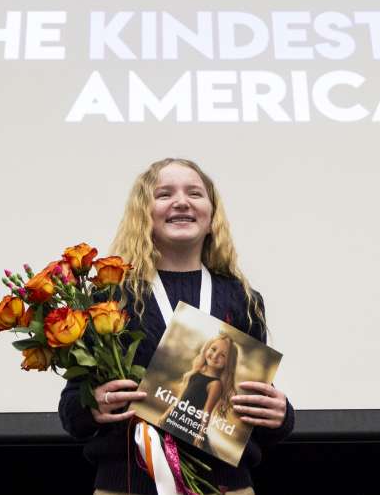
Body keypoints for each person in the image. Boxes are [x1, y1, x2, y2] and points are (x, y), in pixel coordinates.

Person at [58, 158, 295, 495]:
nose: (181, 201)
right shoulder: (110, 298)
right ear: (144, 213)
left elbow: (254, 409)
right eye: (164, 194)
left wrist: (282, 415)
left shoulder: (242, 298)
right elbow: (71, 412)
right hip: (126, 484)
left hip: (225, 486)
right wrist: (92, 405)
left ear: (212, 216)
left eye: (195, 193)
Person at [158, 333, 241, 457]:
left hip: (189, 425)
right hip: (176, 417)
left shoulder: (215, 384)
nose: (215, 356)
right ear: (207, 348)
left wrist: (200, 435)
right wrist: (165, 414)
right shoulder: (195, 372)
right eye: (213, 349)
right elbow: (180, 399)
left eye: (223, 355)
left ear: (228, 363)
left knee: (181, 454)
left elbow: (206, 412)